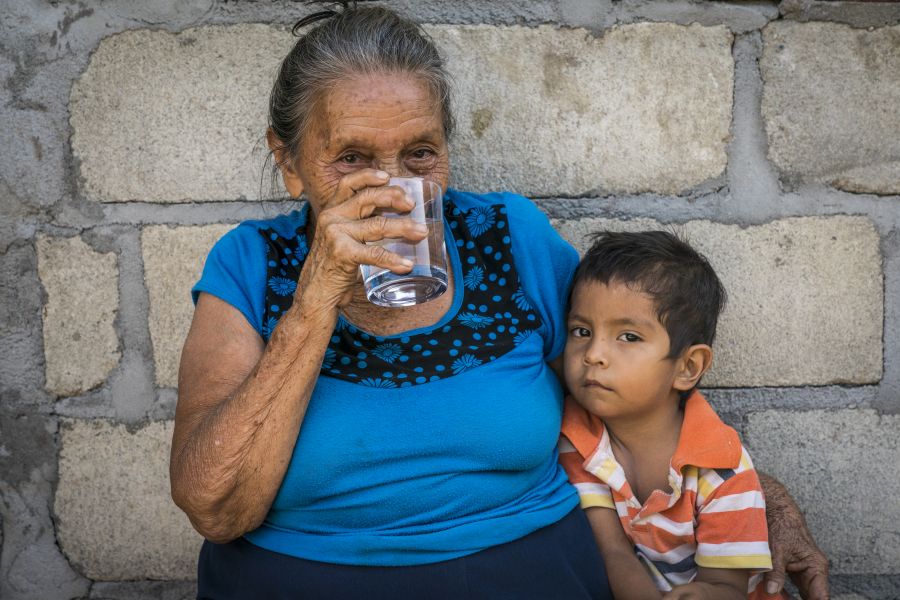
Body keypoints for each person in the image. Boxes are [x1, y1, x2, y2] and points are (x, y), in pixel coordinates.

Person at [169, 4, 828, 599]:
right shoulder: (251, 264)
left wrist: (753, 496)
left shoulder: (508, 238)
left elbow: (630, 381)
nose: (394, 188)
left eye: (420, 154)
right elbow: (215, 508)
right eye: (353, 157)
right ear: (289, 162)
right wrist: (312, 307)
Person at [558, 230, 792, 599]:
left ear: (687, 367)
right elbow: (613, 553)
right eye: (581, 330)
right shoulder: (579, 440)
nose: (593, 354)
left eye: (629, 337)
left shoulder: (722, 468)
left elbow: (727, 587)